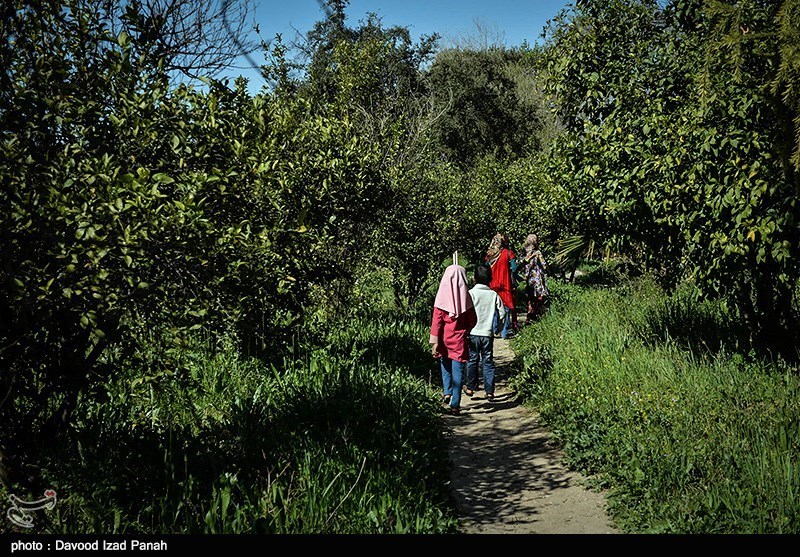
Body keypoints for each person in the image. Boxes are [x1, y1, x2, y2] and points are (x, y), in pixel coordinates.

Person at [430, 264, 478, 415]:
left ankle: (447, 392)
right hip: (459, 341)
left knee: (445, 365)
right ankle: (455, 404)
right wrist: (467, 330)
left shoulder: (440, 300)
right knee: (458, 373)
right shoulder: (466, 299)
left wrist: (435, 342)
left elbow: (436, 323)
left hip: (444, 341)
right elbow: (473, 320)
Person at [465, 263, 506, 401]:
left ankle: (471, 387)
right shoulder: (493, 295)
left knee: (472, 360)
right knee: (488, 361)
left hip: (473, 333)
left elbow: (464, 312)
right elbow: (502, 313)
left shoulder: (470, 293)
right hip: (487, 334)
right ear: (490, 278)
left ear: (475, 278)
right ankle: (489, 391)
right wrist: (498, 328)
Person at [485, 232, 517, 338]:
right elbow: (514, 268)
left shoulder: (489, 255)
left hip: (492, 284)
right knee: (506, 307)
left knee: (494, 307)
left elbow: (485, 268)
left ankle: (494, 329)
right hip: (505, 284)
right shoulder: (508, 253)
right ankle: (504, 331)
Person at [520, 233, 549, 323]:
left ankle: (529, 316)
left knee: (530, 297)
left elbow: (521, 263)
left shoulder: (524, 252)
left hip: (529, 277)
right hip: (537, 277)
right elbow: (544, 264)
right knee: (539, 296)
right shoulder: (537, 252)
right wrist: (547, 270)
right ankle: (536, 314)